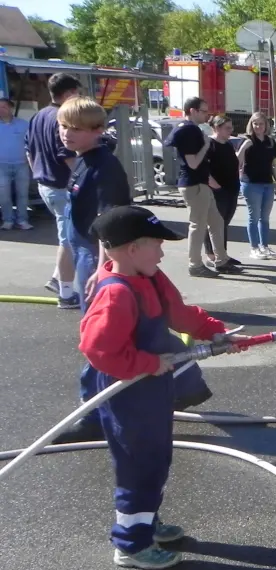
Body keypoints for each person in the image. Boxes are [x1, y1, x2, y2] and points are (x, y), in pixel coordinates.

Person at [79, 205, 249, 570]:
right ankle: (130, 544)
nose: (162, 251)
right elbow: (98, 350)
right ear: (130, 249)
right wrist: (148, 363)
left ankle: (146, 521)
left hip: (153, 388)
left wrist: (215, 331)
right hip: (128, 392)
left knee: (156, 457)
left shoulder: (152, 278)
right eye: (156, 244)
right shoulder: (117, 293)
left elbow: (179, 312)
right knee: (138, 463)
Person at [52, 96, 215, 445]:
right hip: (92, 253)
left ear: (97, 131)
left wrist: (102, 268)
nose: (67, 134)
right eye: (63, 126)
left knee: (106, 337)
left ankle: (96, 414)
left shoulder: (103, 167)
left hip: (98, 258)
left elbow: (108, 223)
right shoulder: (83, 162)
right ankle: (187, 386)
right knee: (140, 332)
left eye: (76, 129)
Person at [26, 73, 83, 307]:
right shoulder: (61, 117)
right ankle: (66, 293)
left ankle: (57, 279)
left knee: (66, 235)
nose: (79, 99)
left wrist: (39, 174)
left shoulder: (38, 115)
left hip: (45, 185)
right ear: (69, 94)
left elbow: (28, 150)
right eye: (78, 93)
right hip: (62, 187)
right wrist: (82, 181)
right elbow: (67, 156)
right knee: (68, 240)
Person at [166, 96, 236, 277]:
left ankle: (221, 259)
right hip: (194, 183)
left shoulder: (190, 129)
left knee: (217, 221)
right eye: (204, 111)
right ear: (192, 111)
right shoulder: (189, 131)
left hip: (200, 183)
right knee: (198, 225)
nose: (207, 115)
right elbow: (193, 163)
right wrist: (205, 145)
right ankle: (195, 264)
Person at [237, 112, 276, 259]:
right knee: (253, 217)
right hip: (251, 183)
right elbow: (237, 161)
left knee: (265, 218)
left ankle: (265, 246)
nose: (258, 127)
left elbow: (273, 165)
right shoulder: (246, 140)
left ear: (266, 125)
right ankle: (254, 248)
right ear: (251, 125)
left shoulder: (270, 142)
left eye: (261, 124)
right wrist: (243, 148)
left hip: (267, 183)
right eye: (255, 124)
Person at [202, 116, 241, 267]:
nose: (231, 131)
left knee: (224, 223)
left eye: (231, 127)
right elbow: (204, 168)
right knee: (214, 224)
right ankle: (212, 255)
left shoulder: (228, 144)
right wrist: (214, 185)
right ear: (217, 128)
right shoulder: (209, 144)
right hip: (217, 190)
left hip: (231, 189)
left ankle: (222, 253)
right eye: (227, 128)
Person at [0, 97, 31, 231]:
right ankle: (7, 220)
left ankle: (22, 220)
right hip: (1, 165)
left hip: (21, 164)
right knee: (3, 195)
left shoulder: (24, 125)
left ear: (11, 108)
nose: (1, 110)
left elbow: (31, 143)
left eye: (4, 107)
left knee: (22, 194)